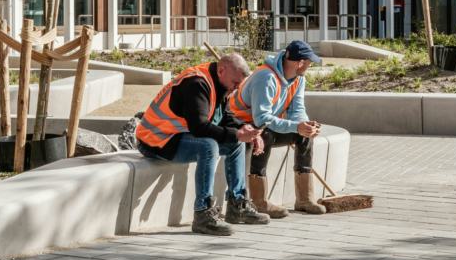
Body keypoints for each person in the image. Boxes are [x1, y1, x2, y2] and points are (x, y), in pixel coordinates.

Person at [132, 52, 269, 236]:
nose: (236, 89)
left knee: (236, 144)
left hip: (176, 136)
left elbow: (224, 116)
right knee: (208, 146)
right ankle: (203, 214)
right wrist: (237, 134)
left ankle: (238, 205)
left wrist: (245, 129)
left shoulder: (221, 83)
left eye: (239, 84)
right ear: (221, 70)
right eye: (235, 83)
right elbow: (199, 127)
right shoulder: (196, 83)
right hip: (155, 140)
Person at [239, 38, 325, 217]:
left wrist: (305, 126)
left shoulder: (298, 79)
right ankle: (258, 201)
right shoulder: (266, 77)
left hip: (264, 125)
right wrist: (296, 126)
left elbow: (297, 110)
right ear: (300, 63)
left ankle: (304, 199)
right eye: (309, 62)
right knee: (264, 135)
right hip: (242, 127)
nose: (309, 66)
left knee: (304, 135)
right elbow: (261, 119)